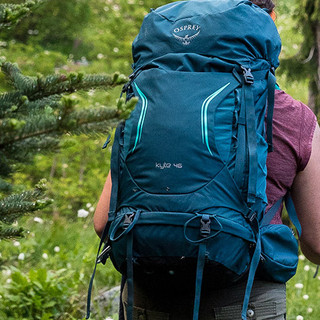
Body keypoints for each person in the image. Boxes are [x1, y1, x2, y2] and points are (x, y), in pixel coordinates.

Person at [93, 0, 320, 318]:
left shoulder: (150, 104)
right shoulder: (293, 117)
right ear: (268, 21)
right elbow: (318, 243)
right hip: (245, 302)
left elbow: (103, 222)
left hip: (146, 301)